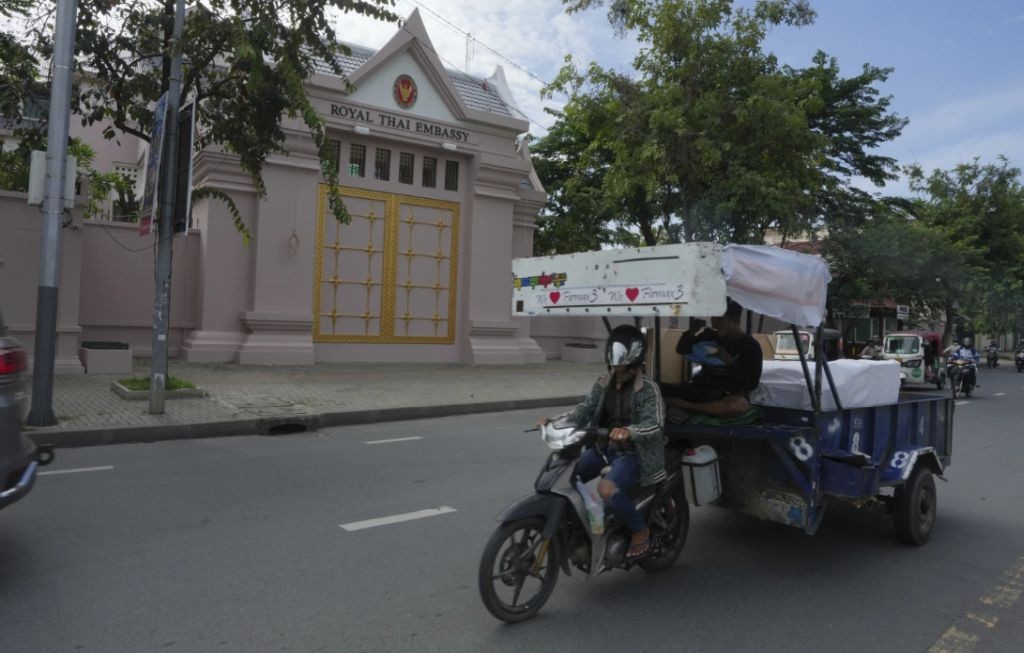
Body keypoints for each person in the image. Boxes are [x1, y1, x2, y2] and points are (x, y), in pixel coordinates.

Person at [537, 324, 665, 559]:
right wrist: (554, 421)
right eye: (615, 365)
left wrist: (629, 431)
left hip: (633, 454)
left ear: (634, 363)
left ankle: (640, 530)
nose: (618, 370)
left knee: (606, 489)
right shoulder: (603, 383)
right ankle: (590, 520)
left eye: (623, 366)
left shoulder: (648, 389)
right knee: (567, 477)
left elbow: (654, 424)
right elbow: (583, 411)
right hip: (602, 448)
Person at [660, 298, 763, 420]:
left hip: (724, 394)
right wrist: (692, 331)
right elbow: (682, 350)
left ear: (735, 321)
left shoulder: (750, 346)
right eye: (712, 319)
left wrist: (729, 361)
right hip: (699, 389)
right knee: (655, 387)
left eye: (719, 319)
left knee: (739, 405)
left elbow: (751, 384)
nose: (714, 324)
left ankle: (685, 406)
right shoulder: (710, 335)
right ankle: (681, 404)